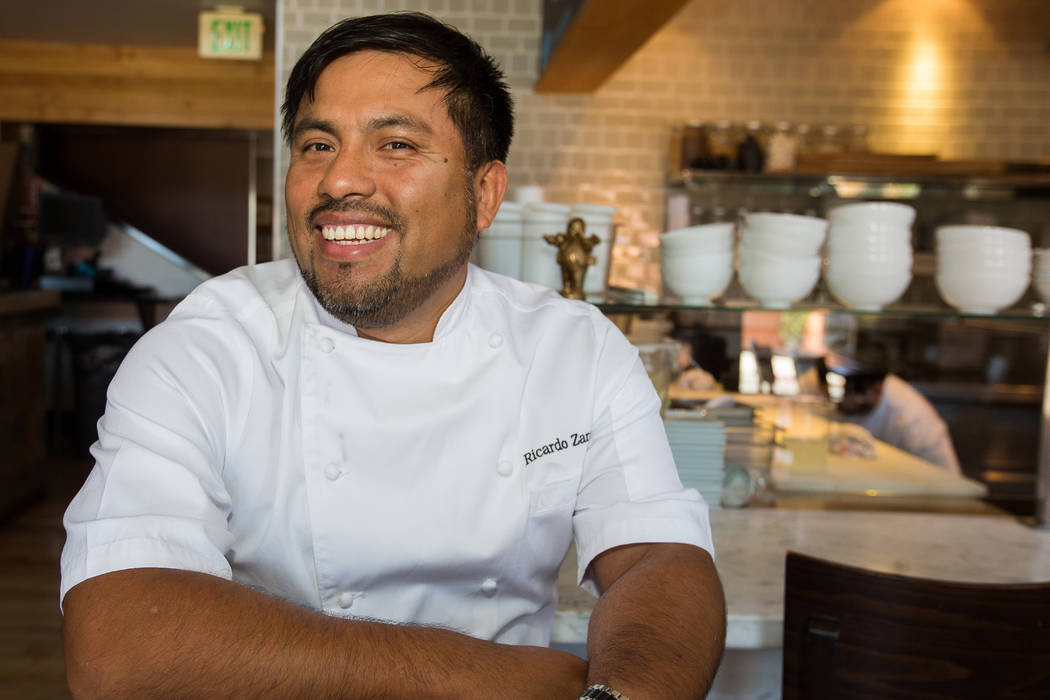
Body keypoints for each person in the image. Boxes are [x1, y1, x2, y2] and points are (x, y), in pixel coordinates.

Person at [60, 12, 725, 699]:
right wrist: (487, 681)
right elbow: (117, 642)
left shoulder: (574, 348)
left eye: (396, 145)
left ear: (484, 194)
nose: (340, 180)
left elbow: (657, 556)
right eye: (317, 145)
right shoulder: (206, 348)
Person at [825, 351, 962, 475]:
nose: (835, 400)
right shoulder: (834, 386)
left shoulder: (914, 422)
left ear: (876, 389)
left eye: (844, 394)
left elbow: (949, 483)